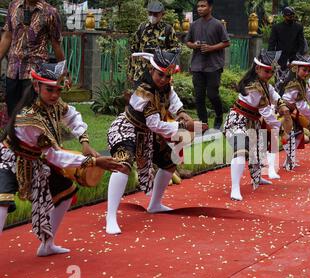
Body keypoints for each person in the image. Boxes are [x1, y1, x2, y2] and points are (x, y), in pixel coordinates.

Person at [0, 61, 123, 255]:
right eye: (50, 90)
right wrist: (94, 162)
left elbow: (72, 116)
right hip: (8, 159)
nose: (55, 95)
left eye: (58, 90)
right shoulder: (29, 117)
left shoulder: (54, 105)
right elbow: (54, 156)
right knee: (2, 202)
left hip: (34, 161)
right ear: (36, 86)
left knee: (66, 190)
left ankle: (47, 245)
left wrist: (84, 141)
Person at [106, 48, 207, 235]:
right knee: (123, 165)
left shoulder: (165, 87)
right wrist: (184, 127)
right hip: (126, 130)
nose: (163, 79)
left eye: (167, 76)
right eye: (160, 75)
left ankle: (155, 204)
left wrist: (183, 114)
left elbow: (174, 101)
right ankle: (110, 217)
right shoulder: (143, 92)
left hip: (146, 134)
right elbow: (155, 125)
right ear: (151, 71)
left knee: (169, 162)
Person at [223, 49, 284, 201]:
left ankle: (257, 178)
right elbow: (266, 112)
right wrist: (279, 126)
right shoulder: (253, 87)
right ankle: (235, 188)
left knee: (257, 151)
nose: (269, 75)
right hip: (238, 121)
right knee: (241, 150)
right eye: (267, 71)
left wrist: (282, 104)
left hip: (253, 122)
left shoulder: (264, 84)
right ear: (257, 69)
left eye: (271, 72)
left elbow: (274, 94)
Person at [0, 0, 65, 116]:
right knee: (12, 115)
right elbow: (7, 37)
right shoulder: (13, 6)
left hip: (35, 73)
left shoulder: (50, 12)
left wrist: (63, 72)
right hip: (13, 71)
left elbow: (56, 44)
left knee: (31, 116)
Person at [185, 0, 230, 129]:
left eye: (203, 6)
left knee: (212, 94)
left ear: (210, 7)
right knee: (199, 96)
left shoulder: (217, 24)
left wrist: (211, 48)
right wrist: (194, 45)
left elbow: (226, 42)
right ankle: (203, 123)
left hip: (213, 65)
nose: (200, 9)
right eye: (198, 6)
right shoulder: (193, 25)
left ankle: (219, 116)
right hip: (197, 65)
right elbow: (188, 42)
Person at [280, 54, 310, 170]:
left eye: (308, 71)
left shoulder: (301, 82)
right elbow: (302, 105)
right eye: (304, 70)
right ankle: (289, 161)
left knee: (296, 135)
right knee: (290, 135)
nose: (306, 73)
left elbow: (309, 94)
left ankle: (289, 160)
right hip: (286, 112)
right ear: (296, 68)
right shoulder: (294, 84)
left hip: (295, 112)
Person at [128, 1, 180, 87]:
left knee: (159, 99)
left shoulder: (168, 29)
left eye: (155, 14)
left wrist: (159, 54)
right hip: (141, 72)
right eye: (150, 13)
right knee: (140, 99)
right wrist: (131, 72)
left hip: (159, 74)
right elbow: (134, 50)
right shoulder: (142, 27)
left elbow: (175, 49)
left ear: (162, 14)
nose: (152, 16)